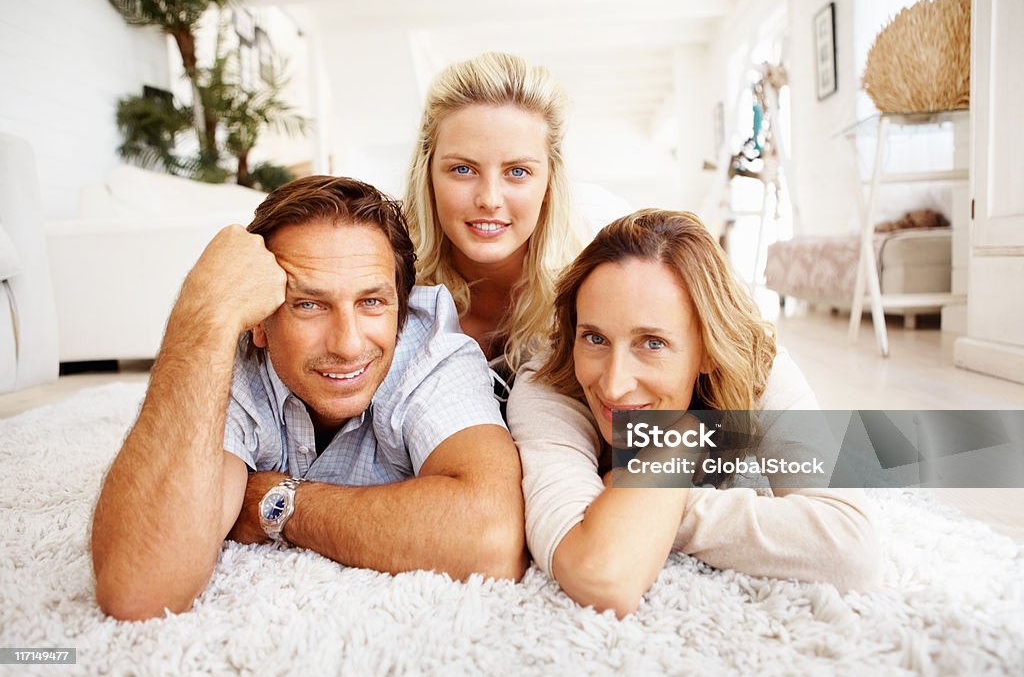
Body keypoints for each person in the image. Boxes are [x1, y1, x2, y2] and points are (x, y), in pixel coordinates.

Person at [91, 176, 527, 622]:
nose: (348, 343)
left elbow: (491, 539)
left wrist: (274, 500)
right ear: (258, 322)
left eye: (373, 302)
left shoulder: (430, 346)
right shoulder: (236, 358)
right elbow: (140, 587)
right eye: (309, 305)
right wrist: (202, 316)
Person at [507, 209, 882, 618]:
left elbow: (853, 547)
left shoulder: (756, 364)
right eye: (594, 338)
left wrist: (662, 488)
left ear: (707, 349)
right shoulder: (549, 386)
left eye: (652, 343)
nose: (613, 385)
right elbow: (601, 575)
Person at [404, 52, 584, 394]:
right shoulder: (386, 298)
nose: (489, 198)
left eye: (518, 172)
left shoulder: (592, 295)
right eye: (462, 169)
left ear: (549, 183)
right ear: (427, 176)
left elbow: (686, 436)